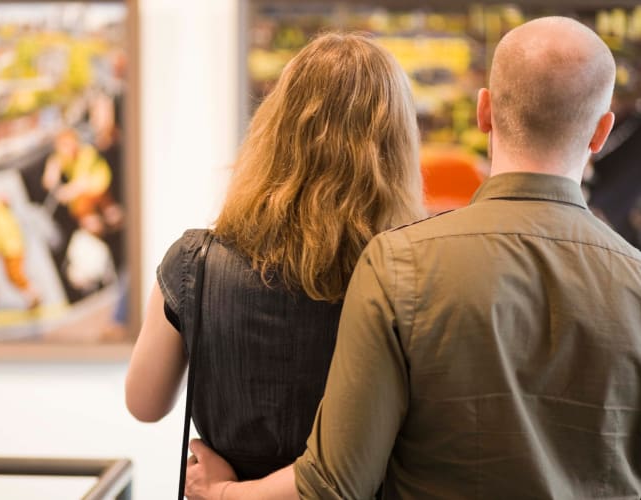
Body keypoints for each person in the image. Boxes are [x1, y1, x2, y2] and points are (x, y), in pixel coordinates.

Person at [185, 16, 641, 499]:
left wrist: (220, 494)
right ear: (601, 132)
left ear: (485, 111)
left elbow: (335, 483)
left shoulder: (399, 264)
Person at [125, 32, 425, 482]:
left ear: (275, 129)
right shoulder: (411, 271)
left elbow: (144, 404)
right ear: (395, 147)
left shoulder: (196, 263)